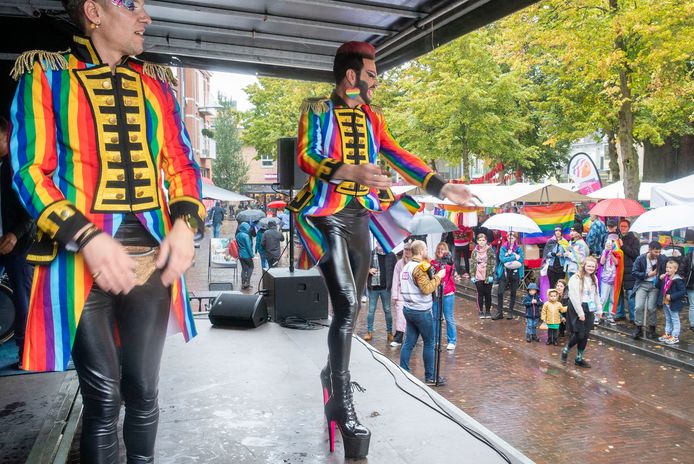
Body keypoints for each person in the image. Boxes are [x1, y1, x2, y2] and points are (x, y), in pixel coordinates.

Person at [9, 1, 204, 461]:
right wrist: (87, 237)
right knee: (101, 400)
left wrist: (184, 223)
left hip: (151, 256)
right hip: (75, 257)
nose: (145, 16)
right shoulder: (46, 76)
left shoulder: (156, 85)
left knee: (143, 390)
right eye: (131, 4)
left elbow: (181, 163)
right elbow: (29, 170)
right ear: (93, 10)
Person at [286, 41, 474, 459]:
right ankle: (340, 400)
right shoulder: (316, 109)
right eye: (371, 74)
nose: (375, 81)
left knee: (349, 312)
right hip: (323, 214)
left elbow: (397, 155)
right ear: (352, 76)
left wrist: (442, 186)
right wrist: (347, 170)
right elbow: (304, 154)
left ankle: (331, 377)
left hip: (359, 217)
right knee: (349, 302)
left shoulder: (374, 117)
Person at [0, 117, 35, 369]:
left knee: (23, 299)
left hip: (18, 243)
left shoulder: (18, 168)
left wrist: (14, 234)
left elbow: (32, 208)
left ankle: (26, 353)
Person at [398, 240, 446, 385]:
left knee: (409, 342)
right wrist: (439, 277)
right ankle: (430, 377)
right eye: (425, 249)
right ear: (420, 251)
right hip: (421, 311)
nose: (427, 251)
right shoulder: (418, 268)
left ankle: (403, 372)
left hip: (408, 309)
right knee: (429, 342)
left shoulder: (406, 267)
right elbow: (427, 289)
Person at [562, 257, 601, 368]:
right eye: (589, 266)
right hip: (578, 306)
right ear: (584, 265)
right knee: (580, 334)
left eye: (593, 266)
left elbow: (596, 295)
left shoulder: (594, 279)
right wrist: (580, 312)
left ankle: (579, 358)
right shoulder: (576, 278)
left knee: (586, 334)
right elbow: (573, 297)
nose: (591, 268)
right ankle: (566, 349)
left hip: (590, 307)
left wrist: (599, 309)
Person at [632, 241, 667, 340]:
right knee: (638, 306)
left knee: (652, 308)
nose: (658, 254)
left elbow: (670, 263)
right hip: (642, 284)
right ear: (650, 249)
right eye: (656, 252)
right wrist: (647, 275)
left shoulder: (662, 259)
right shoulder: (641, 258)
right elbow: (634, 272)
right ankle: (638, 327)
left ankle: (652, 328)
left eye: (659, 252)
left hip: (654, 285)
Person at [364, 245, 396, 342]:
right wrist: (368, 270)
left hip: (386, 288)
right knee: (371, 310)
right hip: (373, 288)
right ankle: (369, 332)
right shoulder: (370, 254)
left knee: (387, 310)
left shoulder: (391, 255)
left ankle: (389, 332)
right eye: (378, 242)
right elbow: (362, 266)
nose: (380, 245)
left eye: (382, 242)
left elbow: (396, 270)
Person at [431, 242, 459, 350]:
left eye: (442, 249)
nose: (440, 251)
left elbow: (450, 269)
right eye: (438, 249)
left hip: (447, 293)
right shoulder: (433, 263)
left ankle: (452, 340)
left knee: (449, 317)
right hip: (436, 294)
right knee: (436, 318)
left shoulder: (449, 262)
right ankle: (435, 340)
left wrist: (447, 259)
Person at [657, 259, 686, 345]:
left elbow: (683, 291)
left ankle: (675, 336)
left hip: (673, 303)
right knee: (668, 318)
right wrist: (659, 279)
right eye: (667, 267)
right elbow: (657, 286)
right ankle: (668, 334)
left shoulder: (677, 280)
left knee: (675, 319)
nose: (667, 269)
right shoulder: (665, 278)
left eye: (670, 268)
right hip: (665, 302)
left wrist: (672, 296)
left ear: (675, 270)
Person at [496, 232, 524, 320]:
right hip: (504, 272)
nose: (510, 239)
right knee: (500, 292)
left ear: (515, 238)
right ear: (507, 238)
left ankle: (510, 311)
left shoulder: (519, 248)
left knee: (513, 292)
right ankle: (499, 312)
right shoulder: (503, 248)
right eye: (509, 237)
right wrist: (514, 256)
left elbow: (522, 259)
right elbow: (502, 259)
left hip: (515, 273)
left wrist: (510, 255)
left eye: (512, 237)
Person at [389, 243, 412, 347]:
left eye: (409, 249)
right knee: (400, 317)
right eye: (405, 249)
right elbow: (395, 280)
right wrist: (394, 296)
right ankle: (398, 338)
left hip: (412, 295)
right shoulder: (399, 263)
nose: (406, 251)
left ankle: (411, 338)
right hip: (401, 294)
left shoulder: (416, 263)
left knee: (411, 318)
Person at [618, 219, 640, 322]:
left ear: (629, 227)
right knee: (619, 293)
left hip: (630, 270)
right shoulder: (618, 238)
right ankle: (620, 314)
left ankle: (633, 317)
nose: (622, 228)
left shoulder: (634, 240)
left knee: (630, 294)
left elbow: (635, 254)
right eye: (621, 226)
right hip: (619, 269)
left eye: (625, 226)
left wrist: (623, 246)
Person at [597, 238, 623, 325]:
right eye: (608, 245)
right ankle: (598, 315)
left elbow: (616, 263)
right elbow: (601, 262)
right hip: (605, 278)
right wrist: (606, 252)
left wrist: (611, 254)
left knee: (612, 298)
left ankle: (610, 316)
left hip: (614, 279)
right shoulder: (604, 252)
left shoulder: (617, 253)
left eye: (611, 245)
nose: (609, 246)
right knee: (603, 298)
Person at [470, 233, 496, 319]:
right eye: (480, 240)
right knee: (480, 294)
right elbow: (472, 263)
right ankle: (481, 311)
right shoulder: (474, 251)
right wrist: (472, 275)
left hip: (487, 274)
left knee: (488, 294)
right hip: (478, 274)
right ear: (477, 241)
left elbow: (493, 263)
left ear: (486, 241)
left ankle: (488, 311)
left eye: (483, 240)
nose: (481, 242)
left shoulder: (490, 250)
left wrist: (491, 274)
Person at [679, 247, 694, 333]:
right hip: (690, 284)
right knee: (693, 304)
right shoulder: (688, 256)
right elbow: (682, 270)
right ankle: (692, 324)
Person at [236, 222, 255, 289]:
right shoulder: (246, 236)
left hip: (240, 255)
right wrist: (252, 255)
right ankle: (247, 282)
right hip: (247, 255)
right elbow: (248, 246)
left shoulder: (238, 235)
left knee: (244, 269)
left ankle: (243, 283)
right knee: (251, 267)